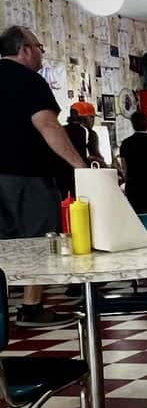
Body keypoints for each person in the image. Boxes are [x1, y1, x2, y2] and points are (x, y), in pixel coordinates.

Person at [0, 25, 87, 327]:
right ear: (25, 49)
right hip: (26, 174)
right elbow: (48, 126)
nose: (41, 54)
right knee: (38, 239)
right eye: (40, 47)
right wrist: (80, 165)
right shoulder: (29, 80)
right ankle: (31, 307)